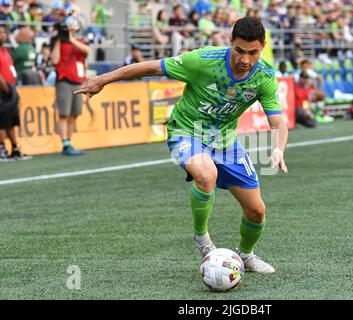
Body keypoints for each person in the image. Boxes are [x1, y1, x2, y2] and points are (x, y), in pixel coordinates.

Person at [75, 17, 288, 274]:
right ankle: (203, 240)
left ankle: (246, 255)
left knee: (256, 210)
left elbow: (278, 121)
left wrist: (278, 147)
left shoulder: (264, 76)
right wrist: (104, 79)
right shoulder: (203, 60)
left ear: (262, 47)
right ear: (231, 43)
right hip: (187, 131)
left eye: (253, 53)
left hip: (225, 141)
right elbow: (152, 67)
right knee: (206, 175)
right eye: (239, 50)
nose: (245, 59)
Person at [50, 16, 90, 156]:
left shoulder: (79, 42)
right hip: (64, 81)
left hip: (78, 82)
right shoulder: (59, 43)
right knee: (63, 114)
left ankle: (69, 141)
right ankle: (65, 143)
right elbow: (55, 60)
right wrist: (59, 39)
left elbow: (87, 50)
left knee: (74, 114)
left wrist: (72, 39)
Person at [0, 25, 25, 160]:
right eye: (0, 33)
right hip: (3, 92)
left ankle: (14, 149)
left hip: (10, 90)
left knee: (11, 122)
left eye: (4, 32)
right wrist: (8, 90)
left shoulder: (5, 51)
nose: (3, 35)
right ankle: (2, 149)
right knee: (2, 123)